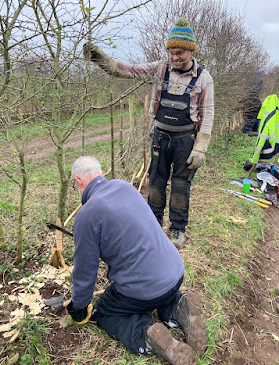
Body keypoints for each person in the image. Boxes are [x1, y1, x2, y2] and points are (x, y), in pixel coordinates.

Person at [83, 18, 214, 249]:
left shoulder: (203, 78)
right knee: (155, 182)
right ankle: (153, 224)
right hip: (160, 137)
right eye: (172, 52)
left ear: (191, 51)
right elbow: (126, 71)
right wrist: (99, 58)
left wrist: (200, 147)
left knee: (181, 185)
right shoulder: (160, 69)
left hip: (186, 139)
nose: (175, 57)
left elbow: (208, 113)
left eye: (180, 53)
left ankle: (177, 229)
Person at [67, 155, 208, 365]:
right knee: (160, 295)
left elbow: (85, 271)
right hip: (175, 272)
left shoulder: (86, 216)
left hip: (145, 288)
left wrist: (79, 307)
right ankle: (178, 305)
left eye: (74, 185)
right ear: (101, 174)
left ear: (78, 181)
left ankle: (147, 335)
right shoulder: (124, 187)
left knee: (107, 312)